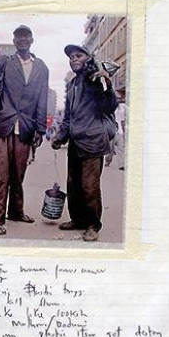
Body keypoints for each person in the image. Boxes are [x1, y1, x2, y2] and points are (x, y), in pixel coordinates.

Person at [0, 25, 49, 235]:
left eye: (26, 37)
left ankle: (16, 211)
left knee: (19, 173)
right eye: (18, 37)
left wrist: (40, 128)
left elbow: (42, 99)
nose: (22, 40)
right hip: (4, 124)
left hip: (27, 126)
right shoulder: (4, 62)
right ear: (14, 41)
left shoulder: (41, 67)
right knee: (2, 173)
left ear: (32, 40)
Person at [52, 44, 118, 242]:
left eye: (78, 55)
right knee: (74, 185)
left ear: (88, 59)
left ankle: (92, 225)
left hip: (93, 141)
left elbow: (110, 105)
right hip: (75, 141)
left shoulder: (94, 78)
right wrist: (59, 137)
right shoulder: (73, 84)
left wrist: (106, 82)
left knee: (90, 186)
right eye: (70, 57)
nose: (73, 59)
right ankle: (78, 220)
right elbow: (68, 117)